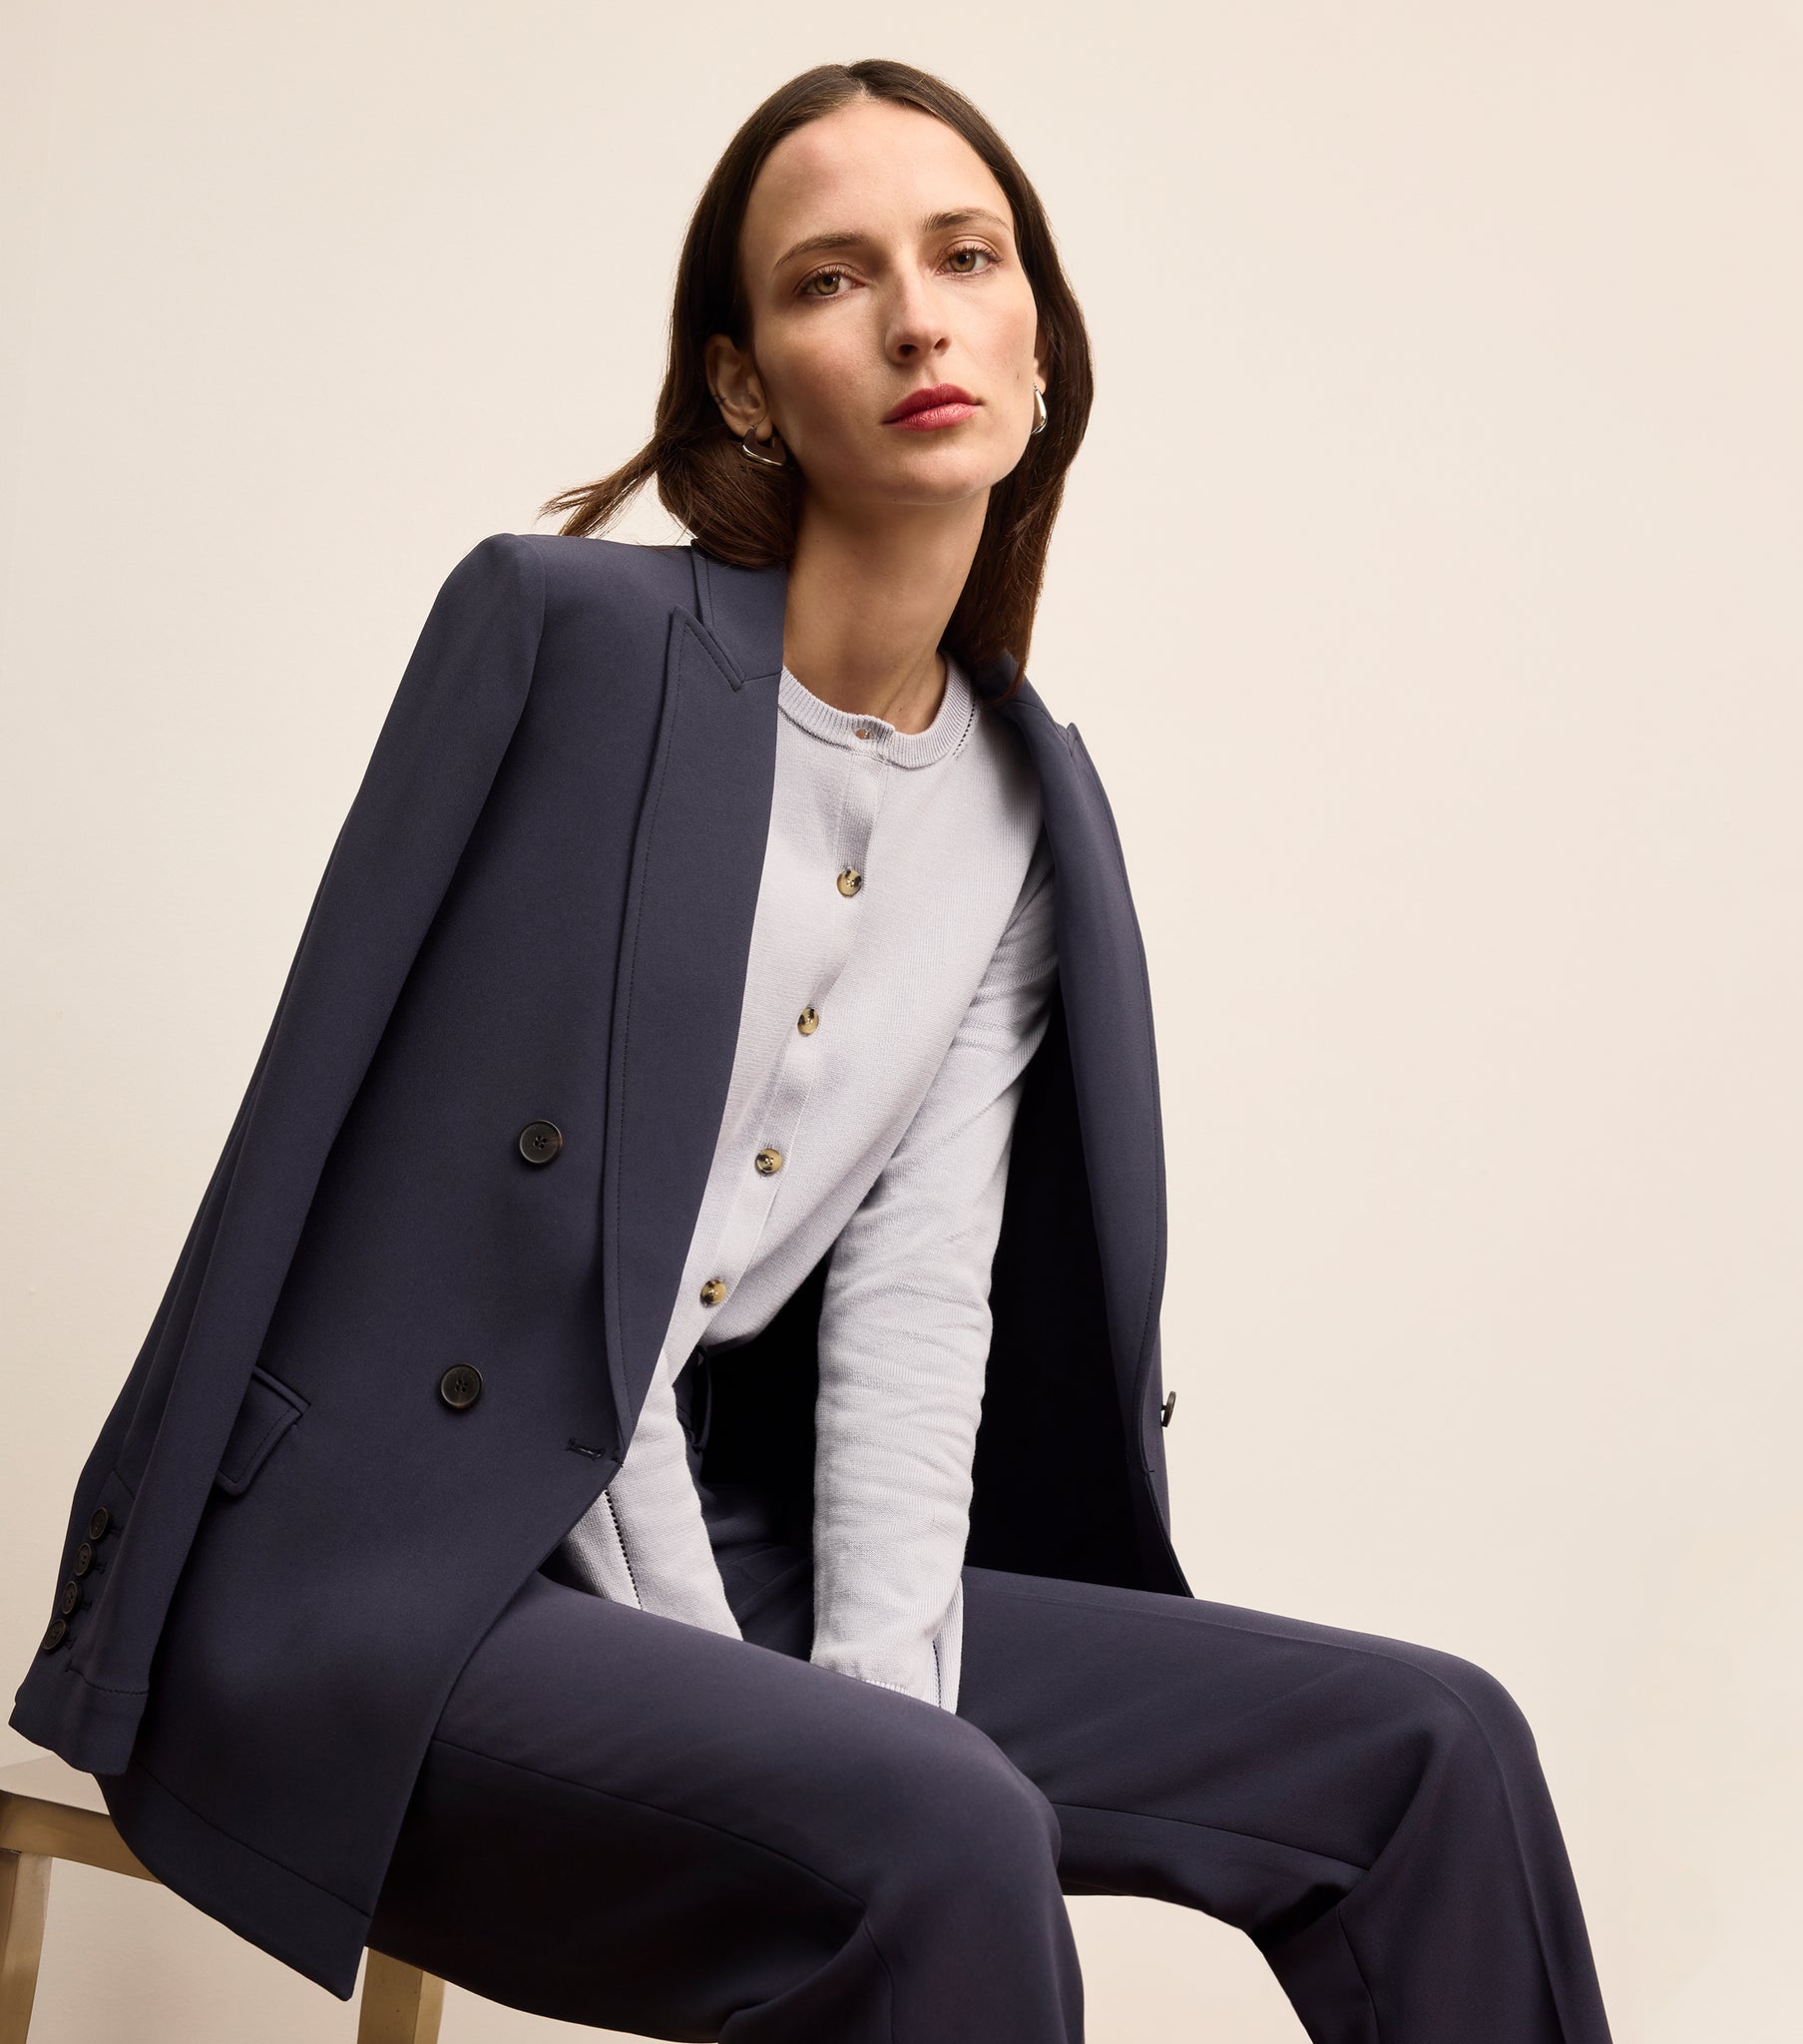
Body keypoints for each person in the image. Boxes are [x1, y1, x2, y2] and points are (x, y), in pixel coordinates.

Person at [14, 57, 1616, 2044]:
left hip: (758, 1561)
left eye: (965, 256)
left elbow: (916, 1292)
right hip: (408, 1574)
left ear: (1040, 340)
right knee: (933, 1822)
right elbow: (504, 1220)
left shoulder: (1027, 806)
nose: (920, 315)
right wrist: (773, 1709)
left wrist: (868, 1663)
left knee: (1427, 1745)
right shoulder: (564, 644)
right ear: (746, 386)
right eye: (830, 279)